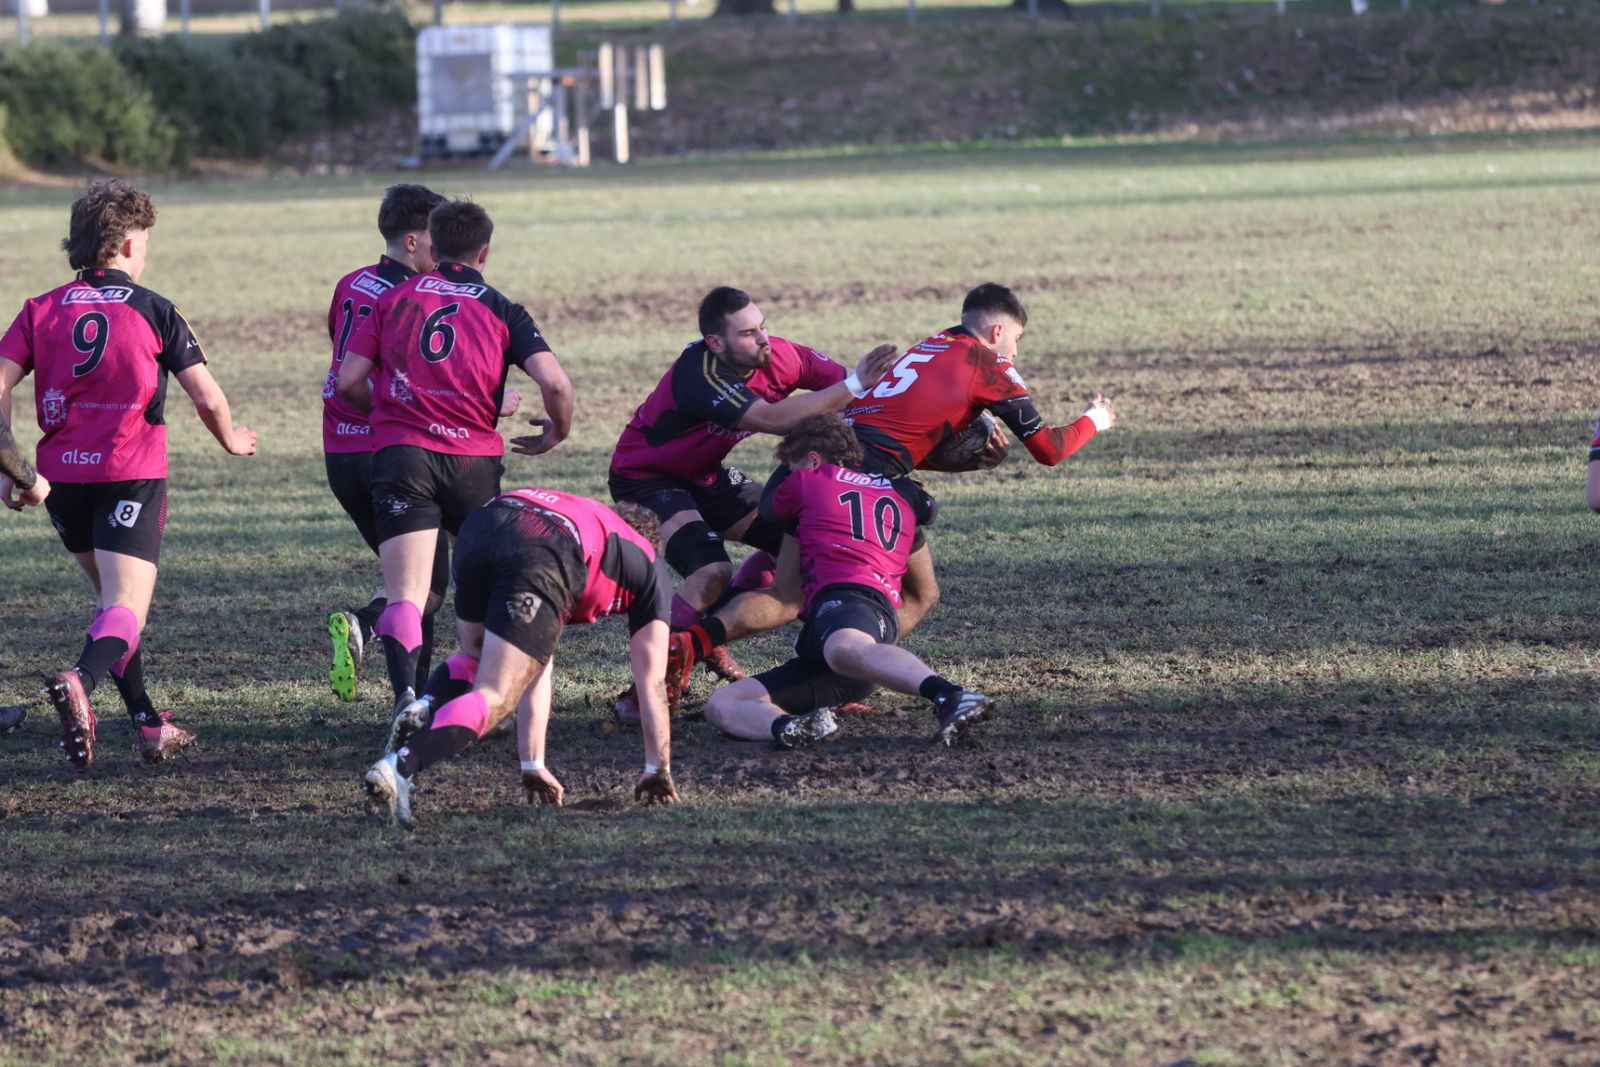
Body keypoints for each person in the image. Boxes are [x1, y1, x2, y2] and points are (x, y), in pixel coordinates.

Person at [670, 282, 1116, 686]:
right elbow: (1050, 450)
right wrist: (1096, 419)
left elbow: (895, 435)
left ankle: (689, 643)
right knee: (919, 595)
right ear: (998, 331)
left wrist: (965, 463)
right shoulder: (989, 363)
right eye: (1017, 341)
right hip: (856, 482)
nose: (1015, 354)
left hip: (805, 468)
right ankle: (834, 673)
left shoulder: (929, 348)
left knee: (786, 593)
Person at [0, 179, 257, 768]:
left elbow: (1, 386)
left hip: (62, 483)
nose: (148, 253)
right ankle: (80, 683)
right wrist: (232, 440)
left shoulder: (39, 309)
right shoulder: (154, 307)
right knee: (124, 608)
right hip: (130, 475)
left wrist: (8, 465)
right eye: (145, 240)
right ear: (125, 245)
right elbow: (207, 396)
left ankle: (146, 722)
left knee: (112, 611)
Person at [337, 198, 573, 733]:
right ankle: (487, 698)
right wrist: (557, 429)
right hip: (473, 463)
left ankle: (406, 701)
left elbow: (350, 381)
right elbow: (555, 384)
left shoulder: (393, 297)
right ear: (484, 251)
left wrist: (388, 419)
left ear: (434, 246)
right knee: (485, 584)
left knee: (406, 595)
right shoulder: (502, 307)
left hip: (404, 457)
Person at [607, 285, 896, 720]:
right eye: (747, 333)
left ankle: (760, 656)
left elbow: (849, 395)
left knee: (803, 543)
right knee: (711, 571)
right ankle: (645, 689)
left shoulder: (781, 355)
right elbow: (773, 419)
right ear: (716, 343)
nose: (763, 339)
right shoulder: (698, 374)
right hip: (647, 478)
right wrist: (854, 383)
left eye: (762, 326)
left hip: (706, 475)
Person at [363, 488, 679, 826]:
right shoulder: (648, 561)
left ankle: (425, 704)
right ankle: (400, 766)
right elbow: (652, 682)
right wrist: (657, 767)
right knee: (496, 694)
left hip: (485, 525)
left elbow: (538, 663)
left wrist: (533, 764)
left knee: (477, 658)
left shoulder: (590, 514)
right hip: (545, 545)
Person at [704, 414, 993, 748]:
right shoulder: (903, 493)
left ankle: (951, 695)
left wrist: (795, 473)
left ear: (812, 459)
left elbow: (768, 510)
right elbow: (929, 511)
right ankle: (793, 727)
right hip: (860, 629)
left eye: (793, 466)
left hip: (848, 603)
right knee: (723, 705)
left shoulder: (808, 480)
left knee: (845, 648)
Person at [321, 183, 452, 704]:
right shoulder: (412, 298)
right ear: (415, 240)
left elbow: (343, 355)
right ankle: (369, 632)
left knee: (414, 582)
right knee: (425, 588)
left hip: (340, 453)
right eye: (438, 240)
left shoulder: (350, 283)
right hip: (389, 452)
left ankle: (413, 696)